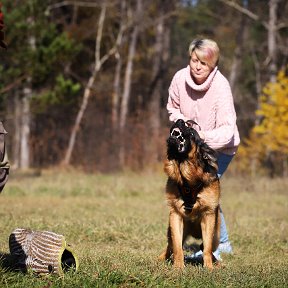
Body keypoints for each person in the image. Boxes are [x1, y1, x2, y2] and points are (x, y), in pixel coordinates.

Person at [166, 38, 240, 261]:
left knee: (208, 192)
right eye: (194, 60)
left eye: (203, 63)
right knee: (199, 194)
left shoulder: (221, 86)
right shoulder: (180, 78)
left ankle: (219, 246)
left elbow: (227, 130)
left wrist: (202, 137)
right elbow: (173, 108)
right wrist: (184, 126)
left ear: (213, 64)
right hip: (191, 148)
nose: (197, 66)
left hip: (219, 148)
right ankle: (213, 240)